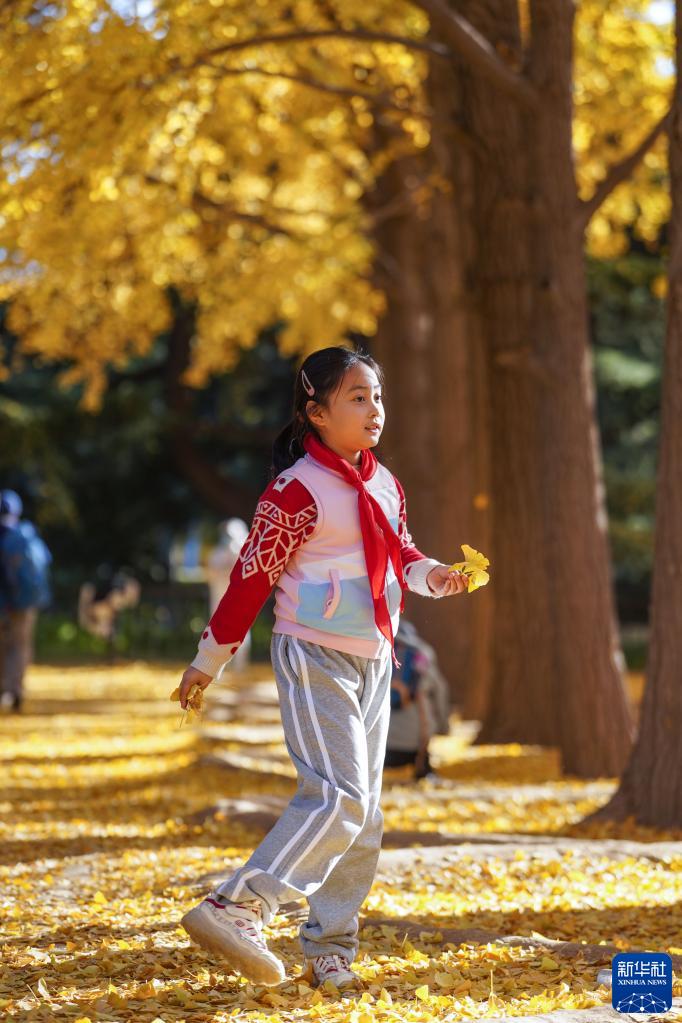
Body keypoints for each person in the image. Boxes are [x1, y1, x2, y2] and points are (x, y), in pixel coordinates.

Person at [176, 346, 468, 991]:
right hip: (312, 653)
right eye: (357, 398)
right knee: (337, 797)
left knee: (364, 815)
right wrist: (209, 660)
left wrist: (434, 576)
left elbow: (400, 554)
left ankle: (330, 947)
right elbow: (250, 579)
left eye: (377, 397)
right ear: (317, 412)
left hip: (374, 661)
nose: (374, 410)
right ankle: (239, 904)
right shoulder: (295, 490)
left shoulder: (385, 483)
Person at [0, 489, 52, 713]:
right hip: (25, 603)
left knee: (2, 647)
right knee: (20, 647)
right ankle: (16, 690)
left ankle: (3, 689)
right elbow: (46, 561)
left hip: (3, 603)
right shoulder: (26, 534)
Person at [384, 618, 451, 780]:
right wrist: (443, 726)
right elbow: (440, 691)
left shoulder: (376, 649)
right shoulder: (422, 653)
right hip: (415, 747)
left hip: (379, 747)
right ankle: (423, 770)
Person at [205, 519, 251, 672]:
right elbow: (212, 575)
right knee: (218, 631)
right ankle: (220, 667)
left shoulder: (243, 551)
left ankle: (239, 666)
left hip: (238, 600)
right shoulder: (217, 553)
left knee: (241, 631)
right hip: (219, 599)